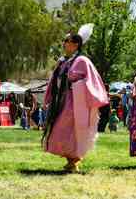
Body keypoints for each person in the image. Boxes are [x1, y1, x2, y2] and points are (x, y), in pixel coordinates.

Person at [43, 24, 108, 172]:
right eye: (64, 41)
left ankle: (74, 160)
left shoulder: (83, 61)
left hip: (77, 103)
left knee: (74, 130)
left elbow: (92, 80)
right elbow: (55, 80)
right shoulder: (63, 61)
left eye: (67, 41)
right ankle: (71, 159)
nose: (64, 44)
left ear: (75, 44)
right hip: (62, 101)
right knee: (60, 130)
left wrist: (77, 85)